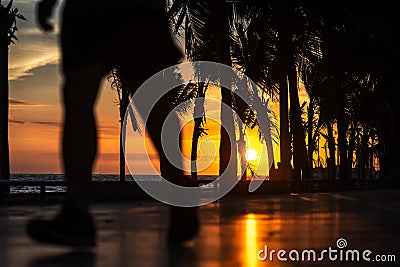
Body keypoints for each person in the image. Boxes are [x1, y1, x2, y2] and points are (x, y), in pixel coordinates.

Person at [27, 0, 198, 246]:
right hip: (90, 11)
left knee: (149, 99)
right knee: (80, 96)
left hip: (131, 9)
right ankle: (77, 212)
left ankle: (180, 196)